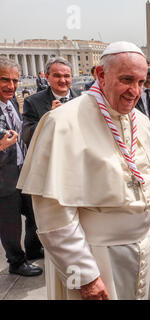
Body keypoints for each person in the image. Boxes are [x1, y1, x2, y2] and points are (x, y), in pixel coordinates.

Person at [17, 41, 150, 300]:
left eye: (140, 81)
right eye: (127, 80)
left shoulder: (141, 121)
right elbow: (53, 213)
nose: (135, 91)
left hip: (146, 247)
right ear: (100, 75)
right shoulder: (62, 123)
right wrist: (84, 275)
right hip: (96, 255)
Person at [0, 57, 43, 277]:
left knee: (34, 213)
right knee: (10, 224)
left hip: (21, 170)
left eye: (15, 80)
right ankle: (16, 261)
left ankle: (34, 248)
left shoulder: (11, 103)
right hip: (3, 177)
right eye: (4, 80)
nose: (11, 86)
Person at [22, 57, 79, 147]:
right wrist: (49, 118)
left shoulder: (81, 99)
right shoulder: (32, 102)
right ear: (47, 77)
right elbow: (26, 136)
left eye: (66, 76)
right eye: (57, 76)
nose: (63, 80)